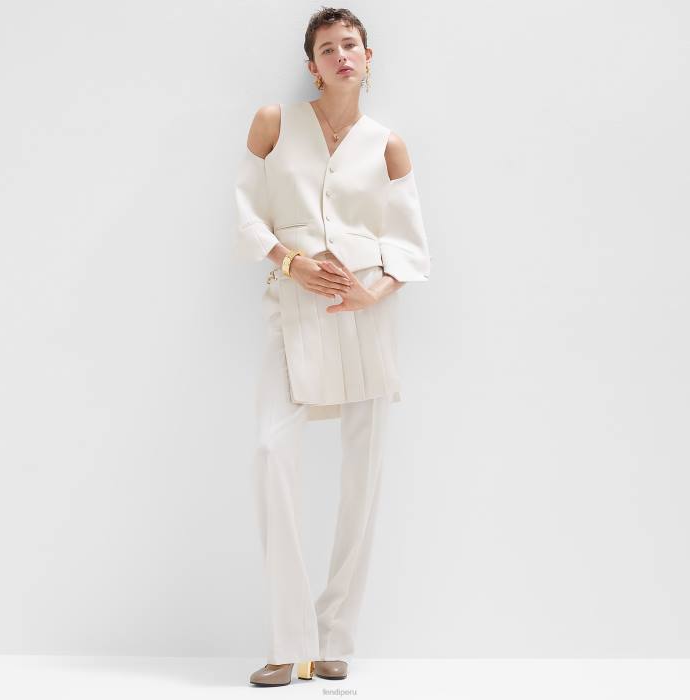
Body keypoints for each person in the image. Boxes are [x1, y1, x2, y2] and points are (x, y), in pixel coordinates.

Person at [234, 7, 431, 687]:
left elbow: (410, 246)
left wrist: (373, 294)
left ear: (368, 58)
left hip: (365, 316)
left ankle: (334, 636)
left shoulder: (387, 145)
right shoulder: (274, 122)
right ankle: (288, 641)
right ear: (312, 65)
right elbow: (246, 212)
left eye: (351, 44)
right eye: (327, 47)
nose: (341, 54)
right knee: (271, 452)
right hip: (292, 307)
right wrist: (291, 263)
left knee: (362, 475)